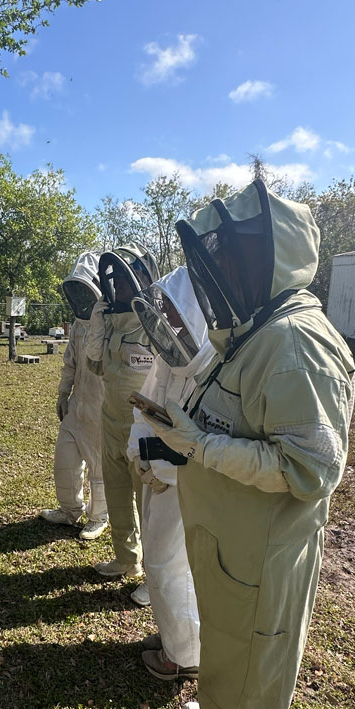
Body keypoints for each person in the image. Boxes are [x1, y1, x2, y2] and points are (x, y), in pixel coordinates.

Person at [140, 178, 355, 709]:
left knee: (255, 658)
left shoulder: (296, 342)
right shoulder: (263, 328)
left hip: (260, 554)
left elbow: (311, 468)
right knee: (233, 650)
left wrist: (200, 445)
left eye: (232, 256)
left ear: (269, 257)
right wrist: (186, 438)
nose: (221, 271)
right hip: (234, 544)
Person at [127, 266, 214, 679]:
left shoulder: (215, 366)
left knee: (170, 566)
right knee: (162, 564)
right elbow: (144, 402)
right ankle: (174, 638)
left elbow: (207, 441)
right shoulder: (169, 357)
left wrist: (165, 469)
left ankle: (184, 656)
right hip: (159, 478)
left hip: (187, 485)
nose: (170, 325)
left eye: (178, 317)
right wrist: (139, 456)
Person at [86, 244, 160, 599]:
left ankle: (155, 578)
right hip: (110, 422)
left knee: (150, 506)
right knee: (116, 496)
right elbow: (95, 365)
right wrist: (98, 326)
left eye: (127, 278)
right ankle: (126, 559)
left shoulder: (155, 325)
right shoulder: (113, 322)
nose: (119, 286)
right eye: (115, 280)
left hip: (143, 430)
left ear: (143, 279)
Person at [39, 252, 109, 540]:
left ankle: (99, 517)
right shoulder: (80, 324)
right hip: (76, 407)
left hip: (102, 409)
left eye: (85, 288)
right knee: (65, 462)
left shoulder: (110, 324)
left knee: (99, 468)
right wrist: (62, 394)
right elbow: (70, 362)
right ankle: (70, 511)